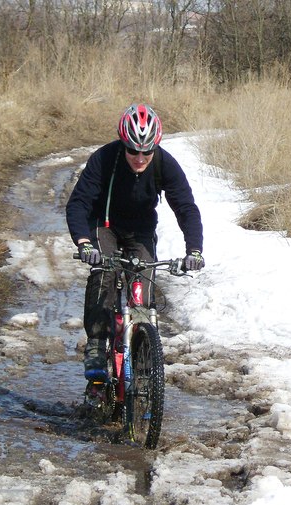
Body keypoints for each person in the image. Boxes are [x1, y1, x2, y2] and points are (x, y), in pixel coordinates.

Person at [66, 103, 205, 381]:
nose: (140, 157)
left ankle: (142, 357)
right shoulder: (104, 159)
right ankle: (96, 343)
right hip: (104, 225)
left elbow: (186, 207)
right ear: (123, 143)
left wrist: (195, 249)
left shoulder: (165, 164)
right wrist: (84, 243)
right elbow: (79, 203)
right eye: (133, 150)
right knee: (104, 273)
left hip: (140, 230)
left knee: (143, 289)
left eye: (146, 151)